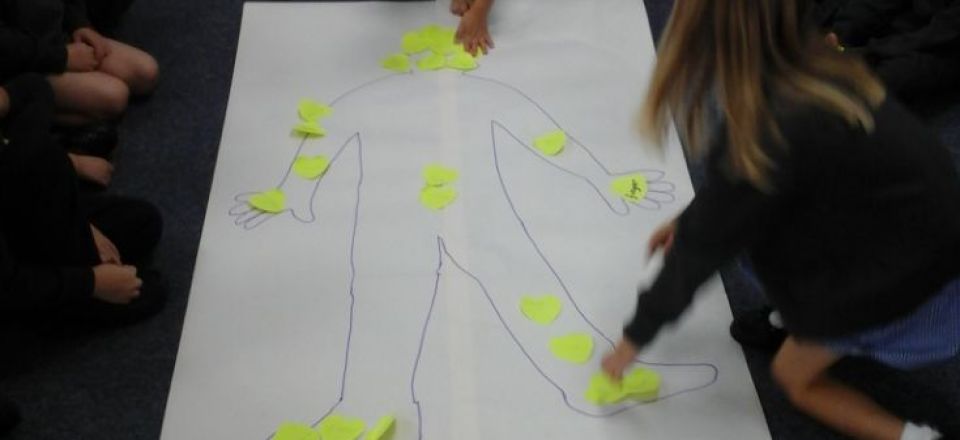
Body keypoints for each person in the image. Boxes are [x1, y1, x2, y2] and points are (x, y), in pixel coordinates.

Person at [600, 1, 960, 439]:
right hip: (921, 229)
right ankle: (808, 316)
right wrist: (693, 218)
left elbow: (697, 254)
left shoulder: (769, 132)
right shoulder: (825, 70)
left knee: (794, 379)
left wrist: (631, 342)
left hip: (918, 286)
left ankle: (916, 437)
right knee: (756, 228)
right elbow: (742, 199)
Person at [0, 0, 158, 125]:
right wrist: (62, 57)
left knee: (145, 73)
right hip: (20, 65)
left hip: (57, 38)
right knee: (115, 97)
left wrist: (79, 24)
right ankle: (19, 111)